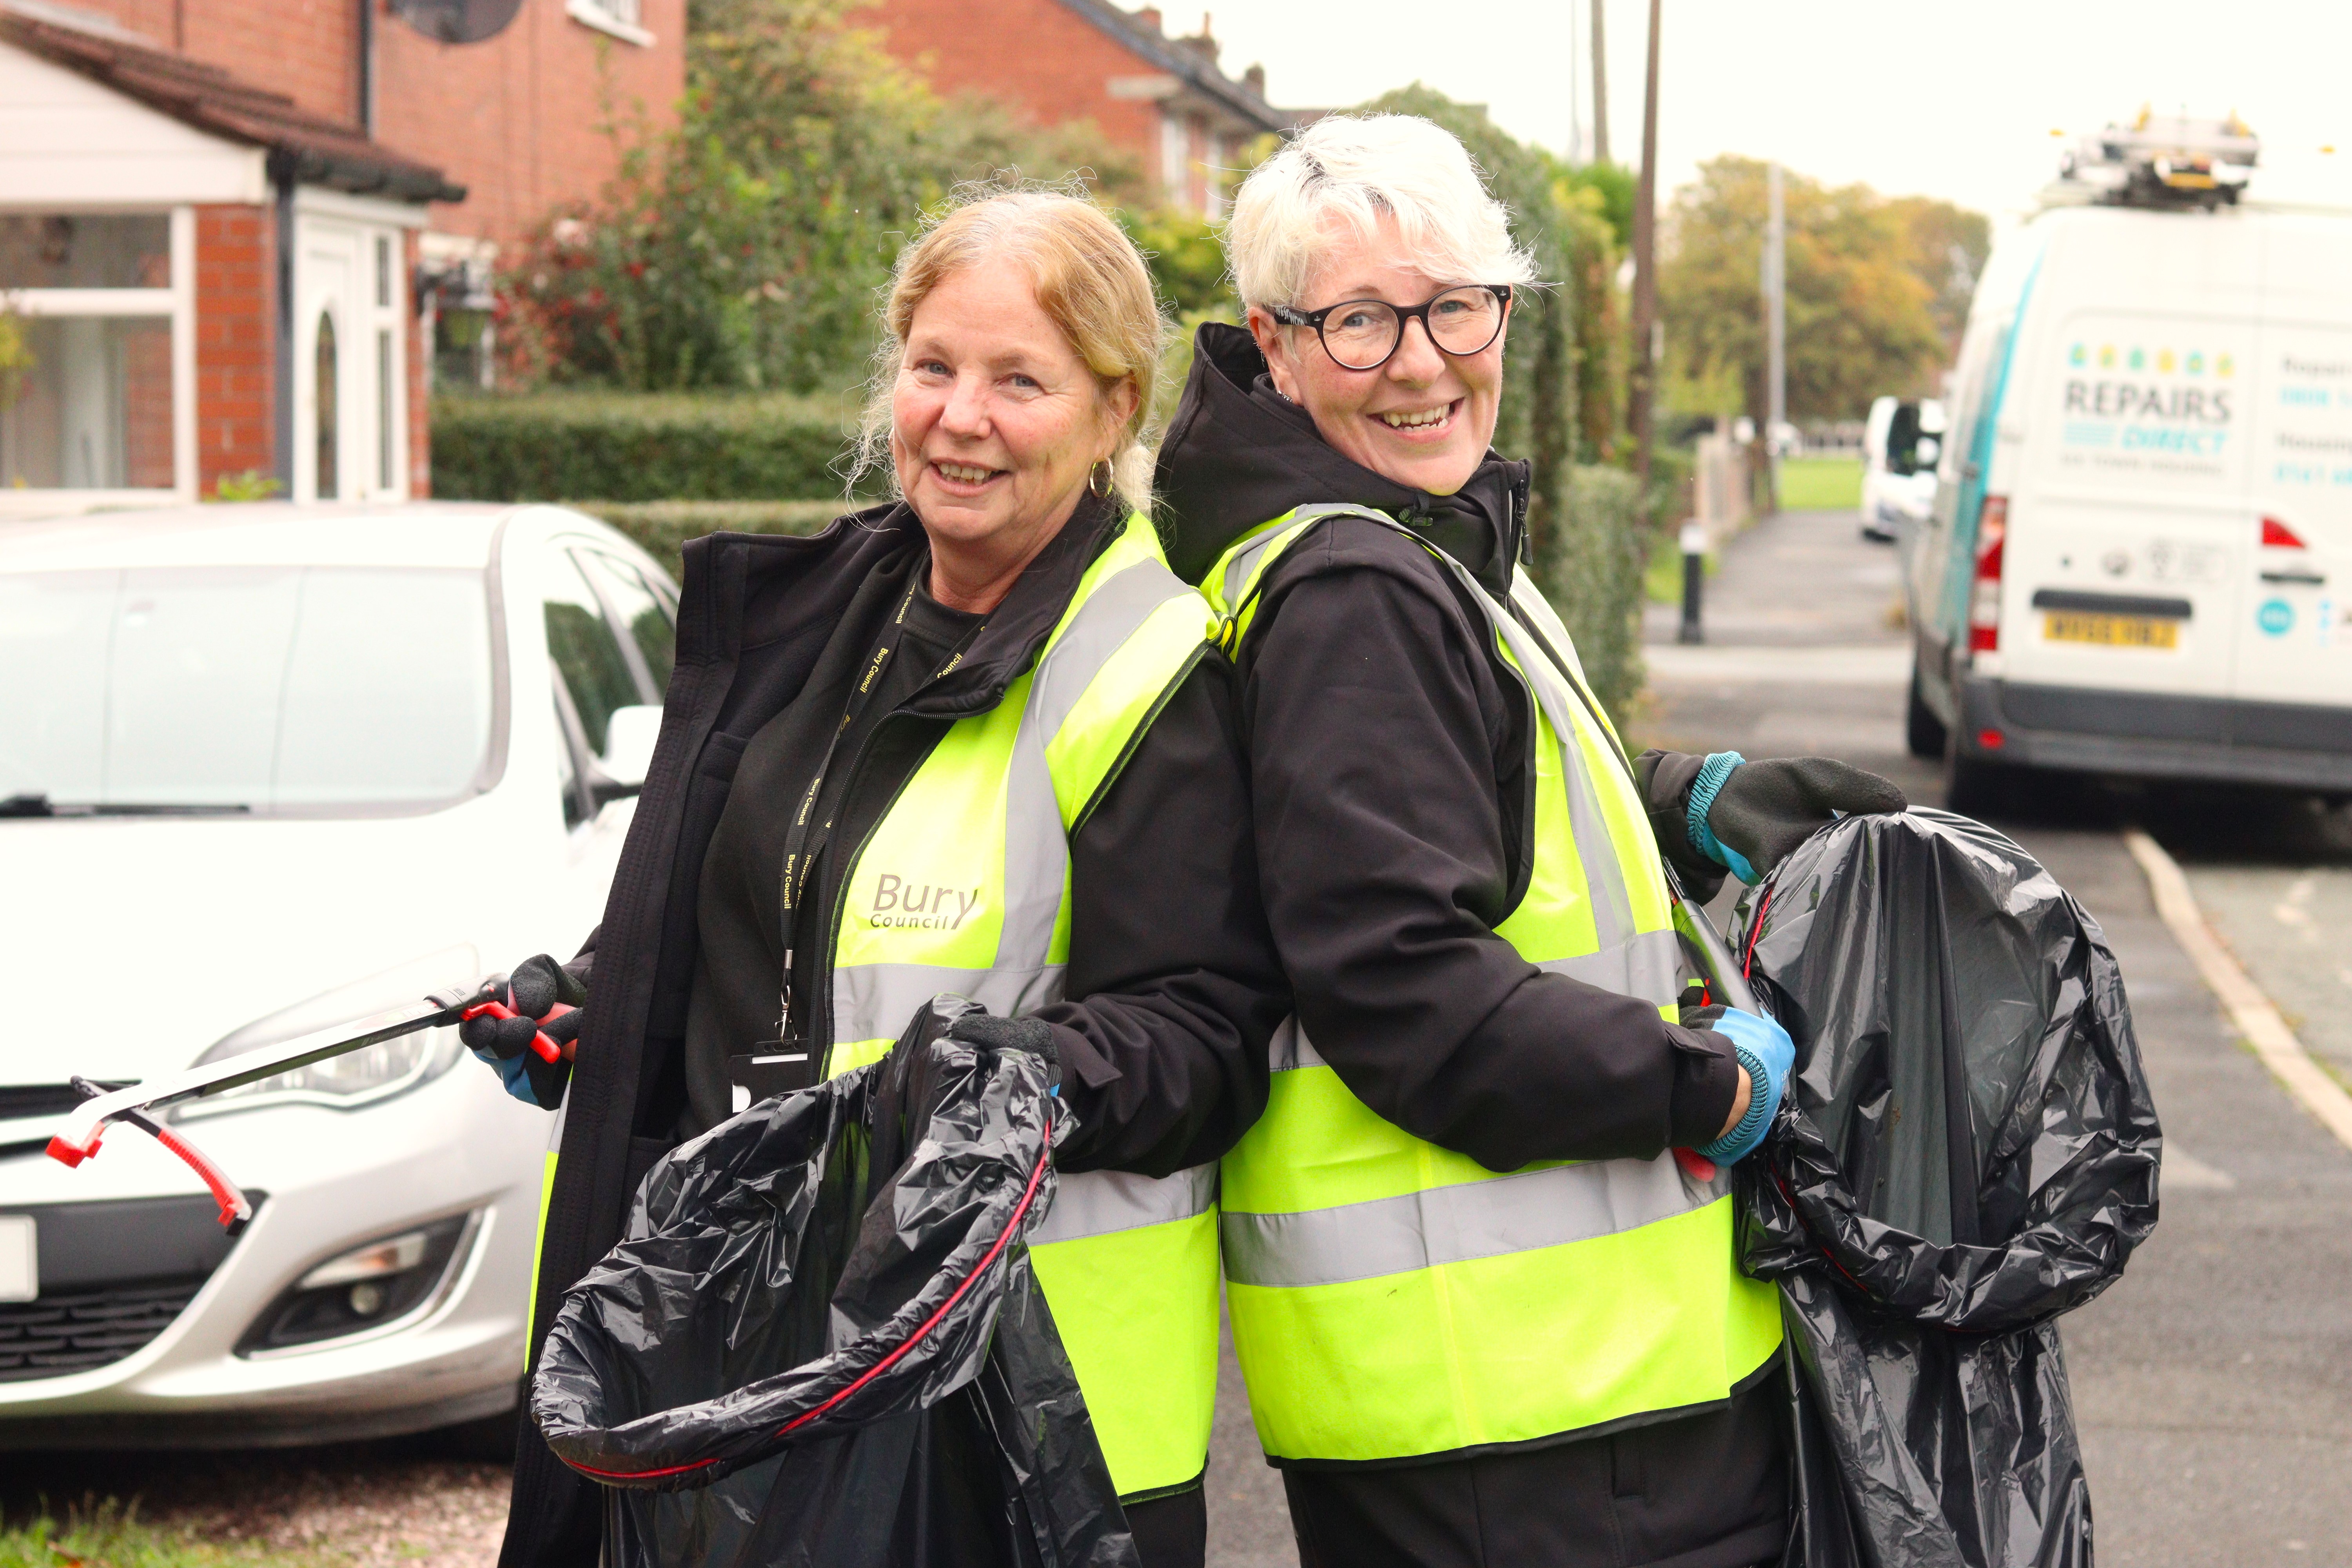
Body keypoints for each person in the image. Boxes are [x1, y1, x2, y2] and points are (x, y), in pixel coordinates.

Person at [470, 189, 1287, 1568]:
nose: (961, 417)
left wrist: (1003, 1077)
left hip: (1020, 1425)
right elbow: (777, 917)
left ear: (1112, 408)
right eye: (934, 367)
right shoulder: (822, 618)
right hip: (761, 1380)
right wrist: (596, 1008)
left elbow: (1206, 1036)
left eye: (1018, 380)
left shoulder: (1147, 655)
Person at [1154, 115, 1907, 1568]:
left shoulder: (1393, 536)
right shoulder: (1356, 582)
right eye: (1363, 321)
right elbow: (1399, 982)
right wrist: (1700, 1087)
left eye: (1456, 306)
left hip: (1508, 1405)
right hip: (1536, 1418)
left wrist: (1668, 793)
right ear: (1278, 341)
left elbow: (1442, 798)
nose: (1428, 362)